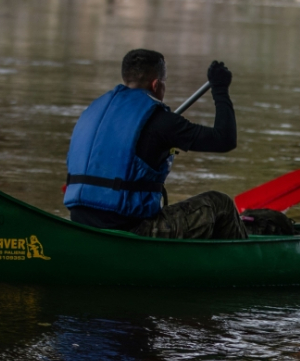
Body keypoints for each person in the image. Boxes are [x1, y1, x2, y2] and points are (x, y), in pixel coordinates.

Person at [64, 49, 247, 239]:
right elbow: (224, 139)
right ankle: (246, 255)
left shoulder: (94, 111)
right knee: (220, 204)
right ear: (156, 84)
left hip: (80, 220)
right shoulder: (161, 121)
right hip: (129, 227)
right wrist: (220, 89)